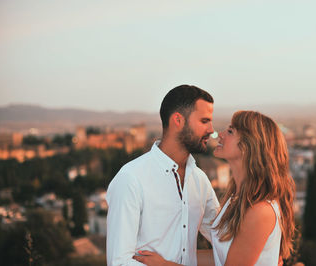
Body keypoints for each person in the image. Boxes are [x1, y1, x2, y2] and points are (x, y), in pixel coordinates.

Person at [106, 85, 220, 266]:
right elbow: (119, 263)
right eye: (204, 121)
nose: (211, 130)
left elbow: (224, 240)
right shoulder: (131, 178)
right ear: (178, 120)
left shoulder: (199, 180)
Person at [210, 111, 296, 266]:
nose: (220, 134)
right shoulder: (236, 199)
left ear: (248, 146)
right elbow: (219, 258)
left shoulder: (259, 211)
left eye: (230, 131)